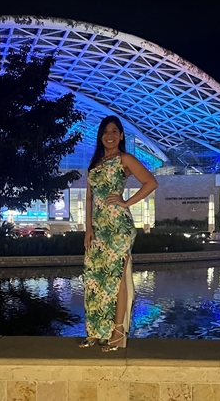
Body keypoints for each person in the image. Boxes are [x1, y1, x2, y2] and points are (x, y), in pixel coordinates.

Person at [79, 115, 158, 352]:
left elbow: (151, 182)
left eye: (115, 131)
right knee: (94, 279)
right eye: (106, 131)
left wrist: (125, 202)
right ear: (100, 136)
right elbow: (90, 197)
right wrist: (88, 228)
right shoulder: (95, 162)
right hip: (98, 229)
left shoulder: (125, 159)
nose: (110, 135)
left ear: (121, 135)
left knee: (117, 280)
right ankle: (95, 333)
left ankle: (116, 335)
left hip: (118, 229)